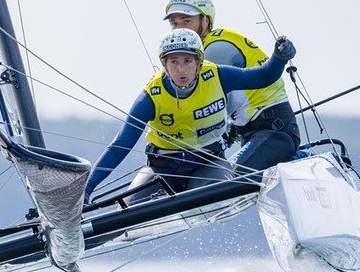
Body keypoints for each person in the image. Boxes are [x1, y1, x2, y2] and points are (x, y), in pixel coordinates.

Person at [84, 28, 296, 204]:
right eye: (174, 62)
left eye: (187, 61)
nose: (181, 69)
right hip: (162, 169)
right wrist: (87, 189)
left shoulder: (217, 76)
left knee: (217, 193)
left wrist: (279, 57)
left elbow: (264, 76)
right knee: (126, 214)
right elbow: (120, 146)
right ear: (164, 66)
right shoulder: (150, 98)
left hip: (209, 165)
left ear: (199, 62)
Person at [164, 0, 300, 177]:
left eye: (186, 21)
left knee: (222, 180)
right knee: (208, 181)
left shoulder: (214, 49)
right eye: (174, 23)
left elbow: (208, 106)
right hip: (251, 132)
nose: (180, 28)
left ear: (205, 20)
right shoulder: (200, 49)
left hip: (273, 131)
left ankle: (299, 158)